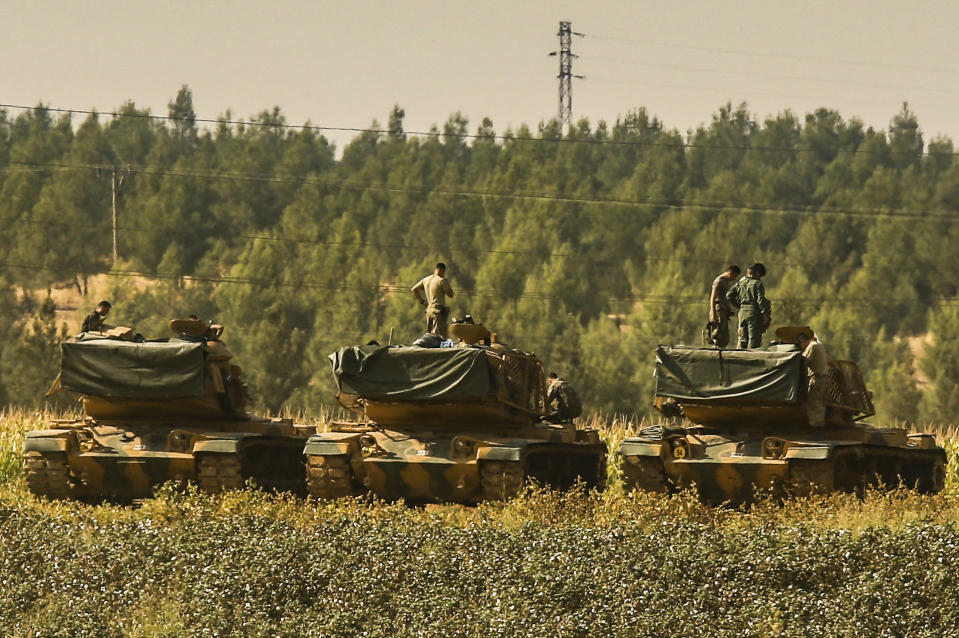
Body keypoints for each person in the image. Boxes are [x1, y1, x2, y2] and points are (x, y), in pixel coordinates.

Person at [726, 263, 771, 349]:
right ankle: (752, 360)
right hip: (753, 314)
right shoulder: (758, 284)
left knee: (743, 339)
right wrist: (765, 314)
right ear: (755, 274)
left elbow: (729, 295)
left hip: (742, 313)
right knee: (754, 339)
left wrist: (738, 306)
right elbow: (760, 300)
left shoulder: (740, 283)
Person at [411, 262, 454, 339]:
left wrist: (422, 302)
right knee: (441, 338)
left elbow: (414, 290)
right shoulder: (442, 280)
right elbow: (450, 295)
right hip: (438, 312)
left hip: (429, 311)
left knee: (430, 338)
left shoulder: (426, 279)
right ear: (443, 271)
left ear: (436, 269)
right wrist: (447, 283)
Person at [796, 332, 829, 427]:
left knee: (814, 406)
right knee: (820, 405)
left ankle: (816, 431)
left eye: (800, 344)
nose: (801, 346)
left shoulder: (812, 346)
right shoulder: (820, 345)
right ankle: (818, 429)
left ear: (803, 341)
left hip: (817, 380)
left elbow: (804, 361)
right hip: (823, 379)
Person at [707, 264, 741, 348]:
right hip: (718, 311)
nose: (734, 279)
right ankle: (716, 353)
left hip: (723, 312)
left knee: (724, 337)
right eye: (735, 276)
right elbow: (713, 298)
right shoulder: (719, 281)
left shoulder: (726, 282)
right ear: (731, 273)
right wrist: (714, 314)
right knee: (718, 335)